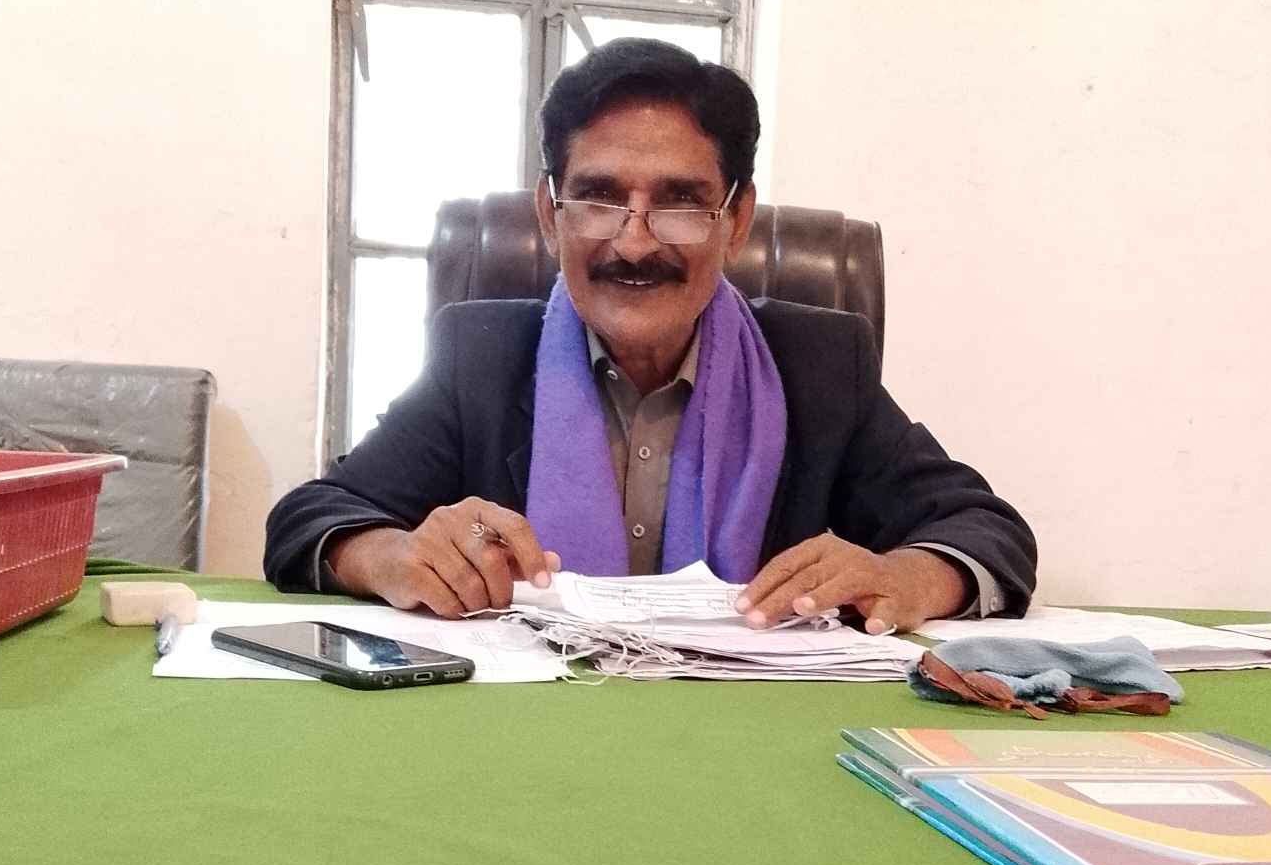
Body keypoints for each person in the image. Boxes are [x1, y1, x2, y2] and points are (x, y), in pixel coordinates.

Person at [265, 40, 1036, 631]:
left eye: (680, 204)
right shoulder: (482, 356)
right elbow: (310, 516)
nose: (633, 244)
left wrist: (907, 578)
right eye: (598, 199)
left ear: (736, 220)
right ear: (549, 214)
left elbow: (987, 530)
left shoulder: (820, 365)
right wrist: (392, 555)